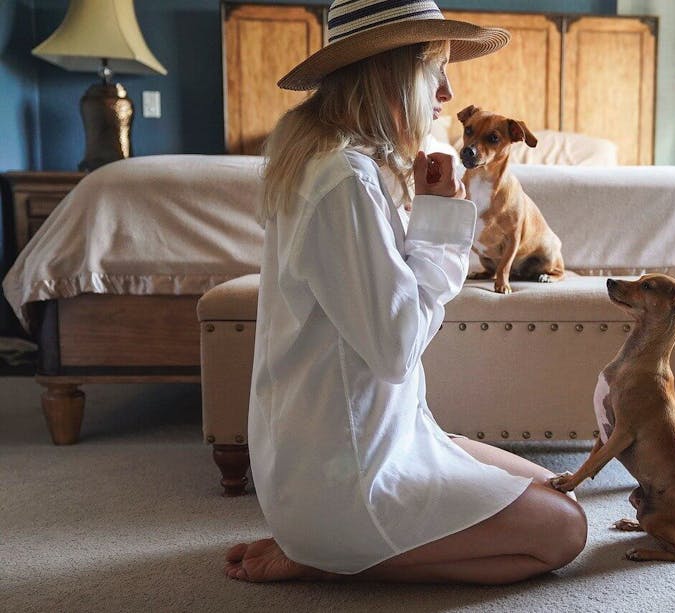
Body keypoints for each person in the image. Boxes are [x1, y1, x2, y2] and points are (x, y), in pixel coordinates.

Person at [224, 0, 587, 585]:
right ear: (391, 73)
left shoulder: (348, 163)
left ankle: (327, 539)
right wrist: (443, 228)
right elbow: (396, 350)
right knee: (564, 529)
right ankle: (326, 550)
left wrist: (432, 212)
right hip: (346, 474)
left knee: (553, 487)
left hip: (372, 440)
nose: (446, 93)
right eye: (434, 70)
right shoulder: (344, 181)